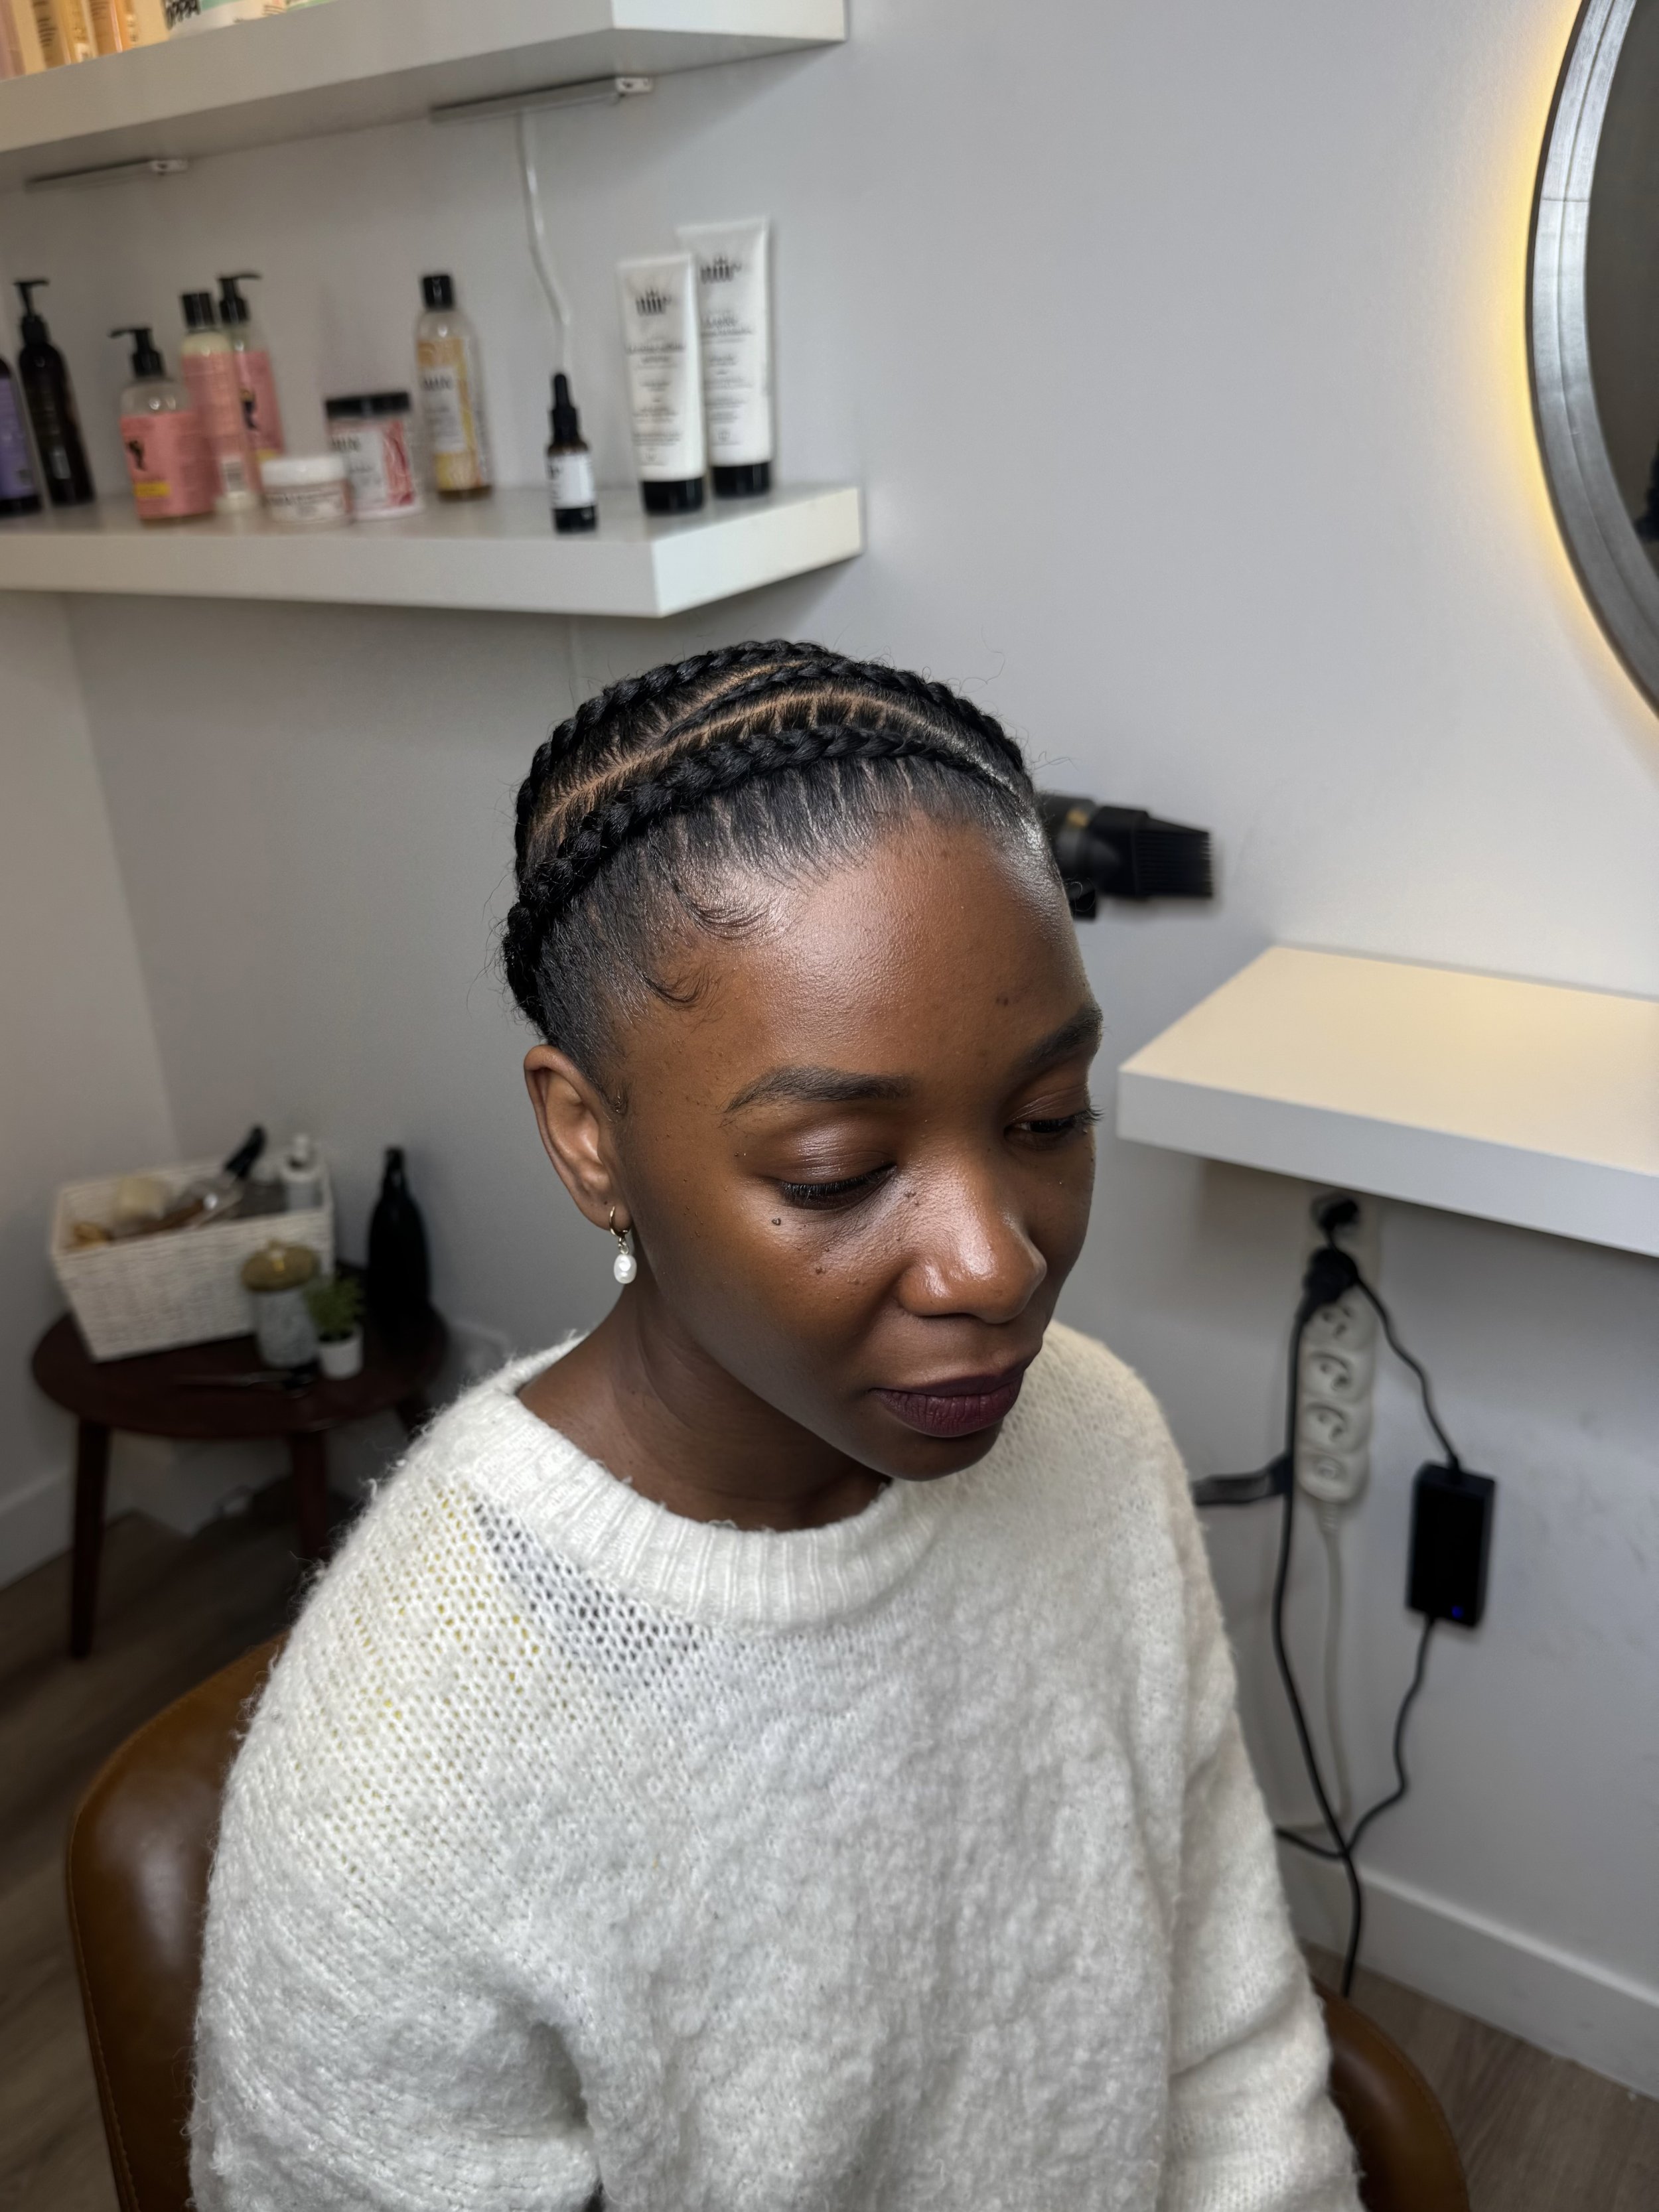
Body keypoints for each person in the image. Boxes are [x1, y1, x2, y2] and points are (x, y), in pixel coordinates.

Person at [190, 643, 1359, 2212]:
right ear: (588, 1140)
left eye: (1045, 1118)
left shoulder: (1097, 1438)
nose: (996, 1263)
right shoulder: (404, 1767)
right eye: (833, 1170)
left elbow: (1225, 2037)